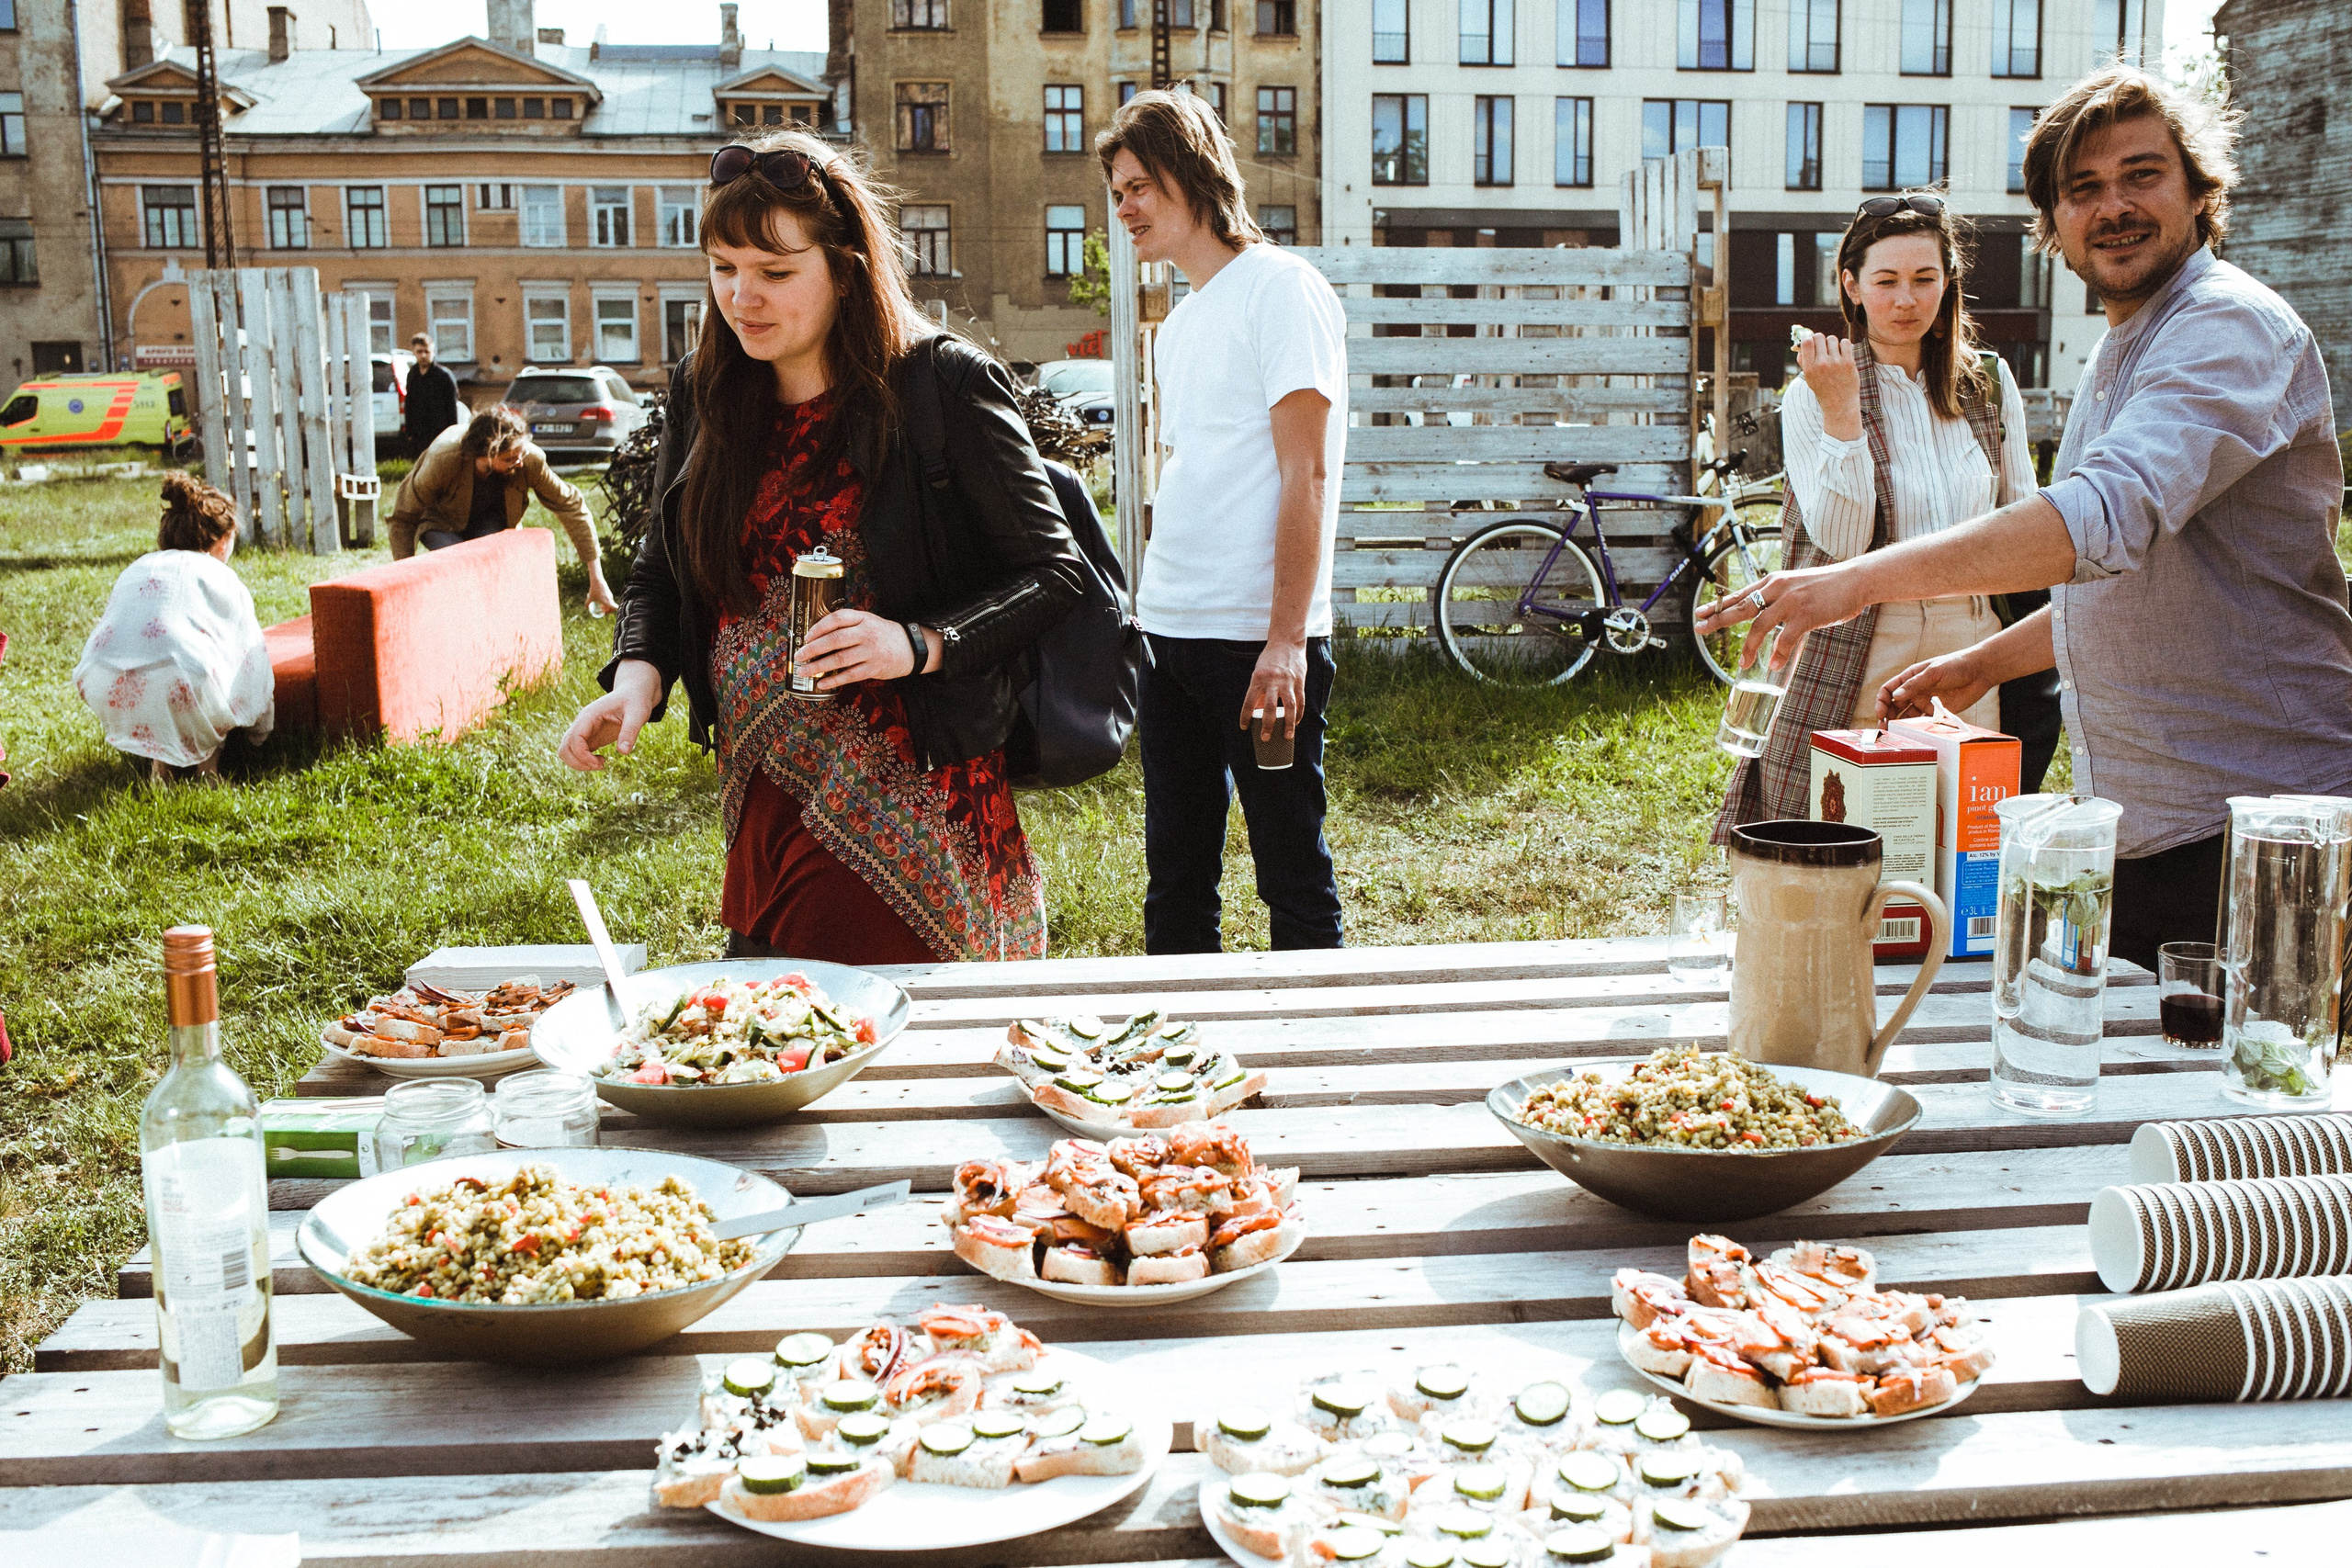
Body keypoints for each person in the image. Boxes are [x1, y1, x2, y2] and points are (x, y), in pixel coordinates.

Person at [1698, 65, 2352, 969]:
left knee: (2243, 1101)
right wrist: (1981, 661)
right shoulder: (2127, 346)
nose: (2111, 206)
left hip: (2254, 825)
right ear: (2053, 225)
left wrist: (1854, 579)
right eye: (2080, 189)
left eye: (2141, 175)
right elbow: (2121, 577)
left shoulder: (2225, 325)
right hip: (2147, 825)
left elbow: (2089, 522)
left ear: (2202, 192)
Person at [555, 130, 1086, 964]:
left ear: (843, 268)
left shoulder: (940, 385)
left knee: (893, 1062)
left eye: (774, 272)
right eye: (724, 268)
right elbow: (663, 563)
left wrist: (914, 644)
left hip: (913, 803)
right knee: (771, 1047)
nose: (741, 298)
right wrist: (638, 677)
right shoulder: (707, 391)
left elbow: (1057, 574)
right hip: (761, 801)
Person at [1098, 89, 1349, 954]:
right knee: (1175, 883)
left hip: (1257, 648)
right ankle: (1178, 1068)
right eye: (1117, 190)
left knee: (1291, 876)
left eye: (1138, 185)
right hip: (1168, 637)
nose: (1123, 206)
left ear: (1192, 172)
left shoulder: (1282, 291)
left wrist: (1286, 641)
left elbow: (1305, 472)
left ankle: (1314, 1067)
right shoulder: (1181, 323)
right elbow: (1201, 477)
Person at [1714, 194, 2037, 838]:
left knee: (1960, 842)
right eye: (1886, 281)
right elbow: (1841, 539)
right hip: (1862, 639)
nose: (1906, 300)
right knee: (1858, 838)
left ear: (1949, 283)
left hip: (1969, 640)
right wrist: (1841, 412)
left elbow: (2024, 525)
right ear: (1851, 285)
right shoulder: (1814, 391)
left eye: (1924, 279)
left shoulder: (1991, 384)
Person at [74, 472, 274, 783]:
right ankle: (208, 769)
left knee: (163, 665)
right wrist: (260, 729)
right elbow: (248, 652)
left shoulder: (139, 566)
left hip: (105, 681)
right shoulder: (218, 575)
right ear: (222, 541)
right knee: (203, 668)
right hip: (182, 688)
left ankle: (161, 769)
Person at [387, 406, 618, 615]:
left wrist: (596, 578)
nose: (519, 462)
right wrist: (404, 586)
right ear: (487, 455)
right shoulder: (444, 458)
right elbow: (404, 517)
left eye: (521, 454)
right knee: (460, 566)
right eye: (509, 458)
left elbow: (571, 505)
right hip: (441, 521)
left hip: (491, 523)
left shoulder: (528, 459)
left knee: (486, 565)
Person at [402, 333, 460, 456]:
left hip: (439, 434)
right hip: (419, 435)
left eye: (426, 351)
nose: (423, 355)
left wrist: (452, 436)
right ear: (414, 352)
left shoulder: (444, 376)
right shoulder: (412, 375)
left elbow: (452, 408)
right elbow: (409, 404)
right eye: (419, 351)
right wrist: (409, 432)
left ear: (433, 352)